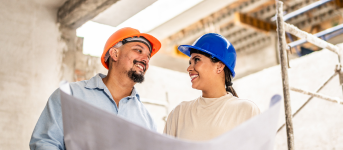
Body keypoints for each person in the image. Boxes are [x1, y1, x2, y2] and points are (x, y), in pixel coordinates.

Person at [30, 27, 161, 150]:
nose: (145, 60)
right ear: (115, 53)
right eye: (138, 50)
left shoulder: (147, 120)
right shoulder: (70, 96)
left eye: (148, 56)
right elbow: (45, 143)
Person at [163, 33, 260, 141]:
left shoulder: (246, 111)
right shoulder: (179, 113)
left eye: (197, 60)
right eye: (190, 62)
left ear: (219, 66)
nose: (189, 68)